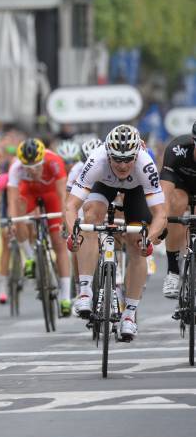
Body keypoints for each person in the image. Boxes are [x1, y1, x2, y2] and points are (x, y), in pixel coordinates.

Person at [63, 125, 166, 340]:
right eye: (117, 159)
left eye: (128, 159)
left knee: (138, 240)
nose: (122, 165)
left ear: (136, 154)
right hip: (104, 185)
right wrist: (75, 233)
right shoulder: (97, 160)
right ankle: (84, 290)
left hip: (136, 191)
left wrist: (150, 238)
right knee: (91, 216)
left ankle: (129, 314)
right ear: (108, 154)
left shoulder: (145, 164)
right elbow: (71, 206)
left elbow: (161, 214)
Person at [7, 138, 72, 316]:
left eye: (37, 166)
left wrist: (66, 219)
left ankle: (66, 297)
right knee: (18, 209)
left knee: (58, 243)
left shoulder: (54, 161)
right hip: (29, 193)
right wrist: (13, 220)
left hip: (52, 194)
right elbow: (12, 199)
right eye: (28, 167)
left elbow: (62, 195)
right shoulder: (16, 167)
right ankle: (29, 257)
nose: (33, 170)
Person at [158, 121, 196, 299]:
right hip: (180, 184)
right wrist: (162, 219)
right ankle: (172, 271)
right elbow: (164, 192)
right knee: (175, 204)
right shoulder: (177, 149)